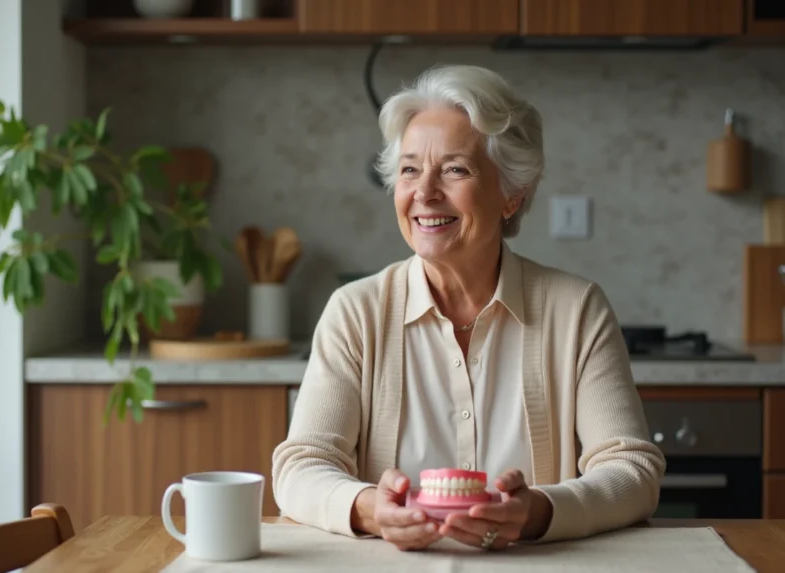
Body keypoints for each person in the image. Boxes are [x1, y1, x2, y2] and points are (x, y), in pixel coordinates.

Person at [271, 64, 665, 552]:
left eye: (455, 169)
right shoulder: (356, 312)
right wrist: (372, 510)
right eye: (410, 170)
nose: (424, 192)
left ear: (511, 195)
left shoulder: (577, 310)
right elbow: (300, 467)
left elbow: (632, 470)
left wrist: (538, 512)